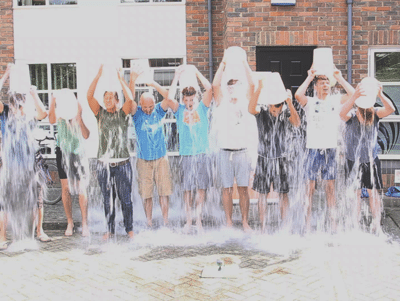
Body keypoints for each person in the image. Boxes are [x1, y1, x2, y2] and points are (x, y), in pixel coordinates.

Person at [295, 66, 354, 232]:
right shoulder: (311, 102)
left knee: (330, 188)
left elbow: (353, 95)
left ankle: (333, 222)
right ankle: (307, 223)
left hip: (330, 149)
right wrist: (309, 77)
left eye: (327, 82)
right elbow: (298, 95)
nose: (325, 85)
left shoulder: (335, 100)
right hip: (312, 148)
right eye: (322, 82)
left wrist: (340, 78)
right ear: (316, 86)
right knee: (310, 188)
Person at [87, 65, 135, 240]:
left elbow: (130, 99)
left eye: (110, 97)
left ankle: (129, 229)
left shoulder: (122, 115)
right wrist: (98, 76)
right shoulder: (100, 114)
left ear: (116, 100)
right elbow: (89, 96)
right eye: (105, 97)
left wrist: (121, 79)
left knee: (126, 200)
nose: (107, 100)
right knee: (108, 200)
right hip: (104, 166)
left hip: (122, 165)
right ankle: (110, 230)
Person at [340, 81, 394, 233]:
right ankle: (354, 224)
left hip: (371, 160)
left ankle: (376, 224)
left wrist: (380, 94)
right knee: (355, 194)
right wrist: (355, 96)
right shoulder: (351, 114)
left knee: (373, 193)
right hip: (352, 160)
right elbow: (341, 114)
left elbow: (391, 109)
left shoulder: (375, 112)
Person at [0, 82, 49, 247]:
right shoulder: (4, 118)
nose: (19, 110)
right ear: (11, 106)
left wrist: (34, 95)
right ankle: (6, 238)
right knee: (8, 204)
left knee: (31, 203)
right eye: (16, 106)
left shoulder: (28, 120)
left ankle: (29, 235)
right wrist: (5, 76)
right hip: (11, 171)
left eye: (21, 106)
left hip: (28, 170)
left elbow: (43, 114)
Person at [249, 78, 300, 232]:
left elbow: (297, 123)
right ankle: (263, 227)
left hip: (281, 159)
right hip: (263, 159)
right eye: (273, 109)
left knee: (283, 194)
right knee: (263, 194)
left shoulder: (285, 114)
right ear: (269, 105)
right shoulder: (262, 113)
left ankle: (284, 226)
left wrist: (290, 103)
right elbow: (250, 109)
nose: (275, 112)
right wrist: (259, 89)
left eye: (277, 109)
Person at [212, 52, 255, 232]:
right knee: (227, 189)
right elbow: (214, 84)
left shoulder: (246, 102)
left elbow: (252, 84)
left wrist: (244, 62)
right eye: (229, 86)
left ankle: (245, 221)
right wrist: (223, 62)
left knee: (244, 189)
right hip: (225, 152)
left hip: (242, 151)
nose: (232, 89)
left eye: (235, 86)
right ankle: (229, 221)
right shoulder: (222, 103)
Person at [167, 65, 212, 233]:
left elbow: (210, 88)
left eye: (191, 100)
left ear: (195, 98)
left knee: (201, 188)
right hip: (186, 155)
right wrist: (177, 75)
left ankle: (198, 219)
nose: (188, 103)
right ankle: (188, 220)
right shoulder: (179, 110)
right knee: (187, 189)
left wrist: (196, 71)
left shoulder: (202, 107)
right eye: (186, 100)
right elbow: (169, 97)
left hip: (202, 154)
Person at [129, 66, 173, 228]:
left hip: (161, 157)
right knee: (147, 193)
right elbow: (129, 100)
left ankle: (166, 220)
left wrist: (153, 83)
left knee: (164, 191)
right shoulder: (137, 113)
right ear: (141, 105)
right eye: (145, 107)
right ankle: (148, 221)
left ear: (155, 103)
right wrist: (133, 80)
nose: (148, 110)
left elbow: (169, 97)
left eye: (150, 106)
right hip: (143, 160)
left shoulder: (159, 111)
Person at [48, 90, 90, 237]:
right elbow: (51, 120)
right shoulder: (59, 112)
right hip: (62, 151)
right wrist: (52, 101)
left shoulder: (78, 110)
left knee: (81, 188)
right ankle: (70, 222)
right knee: (65, 188)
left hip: (78, 152)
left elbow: (86, 135)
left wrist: (79, 118)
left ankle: (84, 223)